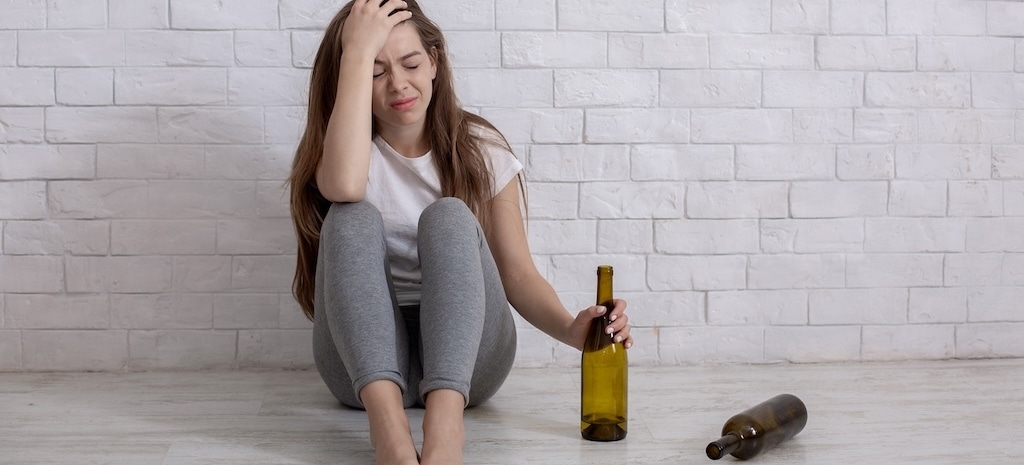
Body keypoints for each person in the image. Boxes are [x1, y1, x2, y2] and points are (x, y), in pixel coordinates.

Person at [287, 1, 633, 464]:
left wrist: (571, 331)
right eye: (375, 71)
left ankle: (445, 429)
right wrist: (354, 50)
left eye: (411, 64)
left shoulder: (480, 149)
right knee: (349, 216)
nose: (398, 84)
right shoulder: (340, 153)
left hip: (468, 361)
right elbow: (345, 188)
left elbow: (517, 274)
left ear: (434, 61)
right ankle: (387, 431)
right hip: (360, 367)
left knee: (449, 215)